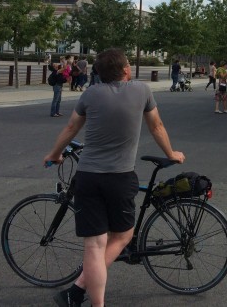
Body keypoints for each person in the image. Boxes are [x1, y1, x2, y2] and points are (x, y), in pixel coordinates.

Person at [45, 48, 185, 307]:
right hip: (120, 178)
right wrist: (171, 153)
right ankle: (78, 289)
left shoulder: (90, 94)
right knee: (121, 236)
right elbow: (156, 126)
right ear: (125, 70)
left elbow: (71, 127)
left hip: (88, 176)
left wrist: (54, 154)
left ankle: (91, 301)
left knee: (94, 246)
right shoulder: (141, 91)